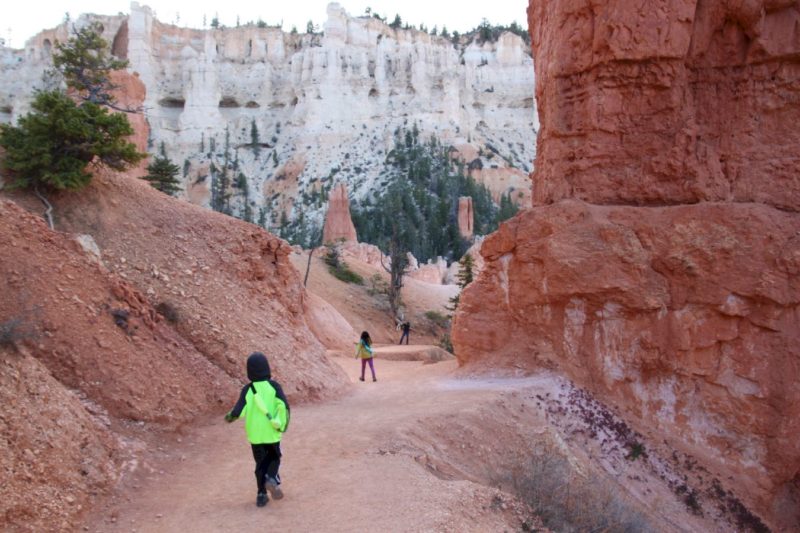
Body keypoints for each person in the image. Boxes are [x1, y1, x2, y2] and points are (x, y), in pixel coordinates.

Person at [224, 352, 290, 507]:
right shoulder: (274, 387)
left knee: (260, 463)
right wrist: (283, 424)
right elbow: (284, 406)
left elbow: (238, 411)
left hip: (255, 435)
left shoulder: (248, 389)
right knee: (274, 457)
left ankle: (261, 495)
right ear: (267, 368)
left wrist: (229, 417)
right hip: (271, 433)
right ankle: (271, 479)